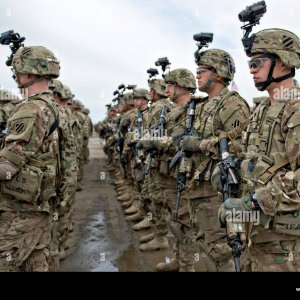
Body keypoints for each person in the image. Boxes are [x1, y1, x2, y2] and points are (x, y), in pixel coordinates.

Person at [219, 28, 300, 271]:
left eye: (258, 62)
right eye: (250, 63)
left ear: (284, 62)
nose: (252, 69)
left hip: (284, 243)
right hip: (257, 231)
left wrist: (254, 201)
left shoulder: (295, 109)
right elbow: (253, 157)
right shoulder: (263, 110)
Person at [0, 46, 60, 271]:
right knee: (35, 264)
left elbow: (7, 166)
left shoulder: (31, 108)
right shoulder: (48, 105)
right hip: (38, 206)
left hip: (21, 210)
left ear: (27, 72)